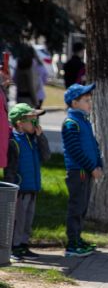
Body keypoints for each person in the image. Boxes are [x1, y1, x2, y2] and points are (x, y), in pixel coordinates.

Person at [4, 103, 50, 263]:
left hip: (32, 187)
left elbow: (46, 156)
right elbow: (10, 170)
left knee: (28, 219)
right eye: (33, 121)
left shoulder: (34, 139)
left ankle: (23, 244)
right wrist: (12, 190)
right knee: (18, 219)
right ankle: (14, 247)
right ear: (20, 123)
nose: (36, 124)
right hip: (20, 189)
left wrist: (41, 136)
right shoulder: (13, 142)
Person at [61, 83, 102, 257]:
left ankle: (78, 238)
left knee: (83, 207)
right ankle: (72, 244)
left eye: (89, 100)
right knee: (76, 207)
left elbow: (93, 145)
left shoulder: (84, 121)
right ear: (74, 103)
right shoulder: (71, 123)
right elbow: (75, 151)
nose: (89, 103)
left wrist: (99, 163)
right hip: (78, 172)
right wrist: (91, 166)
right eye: (86, 100)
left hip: (88, 171)